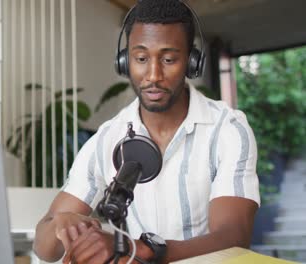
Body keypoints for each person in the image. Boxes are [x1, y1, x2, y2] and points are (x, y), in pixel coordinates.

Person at [33, 0, 260, 263]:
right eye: (141, 58)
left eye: (168, 59)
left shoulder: (227, 129)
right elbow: (44, 248)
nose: (153, 75)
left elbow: (234, 236)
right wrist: (62, 224)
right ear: (124, 61)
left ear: (191, 61)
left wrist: (141, 249)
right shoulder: (108, 138)